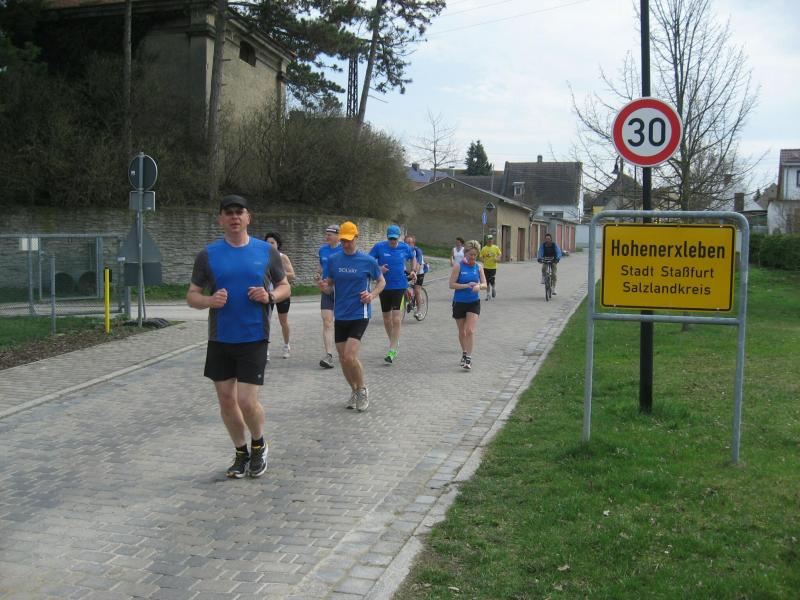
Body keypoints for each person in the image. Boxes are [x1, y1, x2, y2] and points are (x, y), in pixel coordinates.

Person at [187, 195, 290, 479]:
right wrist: (209, 301)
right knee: (226, 400)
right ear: (220, 219)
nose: (234, 217)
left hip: (254, 335)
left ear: (248, 218)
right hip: (220, 338)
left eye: (239, 212)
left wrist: (269, 296)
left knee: (246, 401)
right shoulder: (207, 255)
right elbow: (192, 296)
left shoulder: (266, 252)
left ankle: (258, 444)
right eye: (228, 213)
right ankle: (240, 452)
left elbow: (284, 286)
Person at [320, 221, 385, 411]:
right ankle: (354, 390)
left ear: (356, 237)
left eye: (349, 240)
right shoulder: (334, 259)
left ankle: (362, 389)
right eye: (343, 241)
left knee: (349, 356)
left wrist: (372, 295)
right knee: (342, 358)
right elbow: (330, 284)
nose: (346, 244)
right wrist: (324, 286)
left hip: (359, 313)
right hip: (341, 313)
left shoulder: (368, 261)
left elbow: (381, 281)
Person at [368, 224, 416, 364]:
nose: (393, 241)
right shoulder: (379, 247)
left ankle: (392, 349)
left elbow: (413, 257)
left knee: (396, 318)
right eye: (390, 239)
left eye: (395, 239)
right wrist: (378, 268)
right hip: (383, 286)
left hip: (399, 286)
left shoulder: (405, 247)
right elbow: (368, 261)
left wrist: (413, 270)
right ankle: (393, 340)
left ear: (399, 237)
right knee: (386, 319)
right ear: (387, 237)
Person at [449, 239, 487, 370]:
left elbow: (485, 284)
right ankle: (464, 352)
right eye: (471, 254)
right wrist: (466, 285)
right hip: (459, 302)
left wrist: (479, 286)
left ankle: (469, 358)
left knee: (470, 330)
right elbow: (451, 285)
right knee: (462, 332)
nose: (473, 257)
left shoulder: (479, 267)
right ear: (465, 253)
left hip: (473, 302)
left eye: (475, 255)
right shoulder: (458, 266)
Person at [264, 232, 296, 359]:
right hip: (268, 293)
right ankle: (265, 350)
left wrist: (279, 273)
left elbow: (292, 274)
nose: (269, 245)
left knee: (283, 321)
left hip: (282, 293)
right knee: (266, 321)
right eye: (267, 243)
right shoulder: (262, 256)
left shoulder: (283, 257)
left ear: (278, 244)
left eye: (272, 243)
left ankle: (286, 345)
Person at [315, 224, 342, 369]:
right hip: (326, 289)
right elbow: (321, 265)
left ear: (338, 236)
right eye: (326, 234)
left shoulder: (343, 249)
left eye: (329, 235)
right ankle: (329, 355)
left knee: (342, 322)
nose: (327, 237)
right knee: (327, 322)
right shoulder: (323, 250)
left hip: (342, 290)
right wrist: (318, 274)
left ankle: (345, 351)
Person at [404, 234, 427, 319]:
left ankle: (419, 311)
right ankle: (408, 298)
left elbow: (418, 264)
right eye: (406, 242)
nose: (408, 245)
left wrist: (414, 272)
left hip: (418, 272)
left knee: (417, 290)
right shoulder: (402, 250)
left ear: (414, 244)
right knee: (401, 286)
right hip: (407, 271)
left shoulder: (418, 251)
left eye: (410, 243)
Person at [479, 234, 502, 300]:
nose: (490, 241)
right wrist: (482, 260)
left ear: (492, 240)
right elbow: (481, 256)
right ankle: (488, 294)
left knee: (492, 280)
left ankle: (493, 288)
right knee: (486, 281)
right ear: (487, 240)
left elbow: (499, 254)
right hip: (486, 267)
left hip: (493, 267)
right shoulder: (484, 248)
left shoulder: (495, 247)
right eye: (489, 239)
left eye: (491, 239)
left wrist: (497, 259)